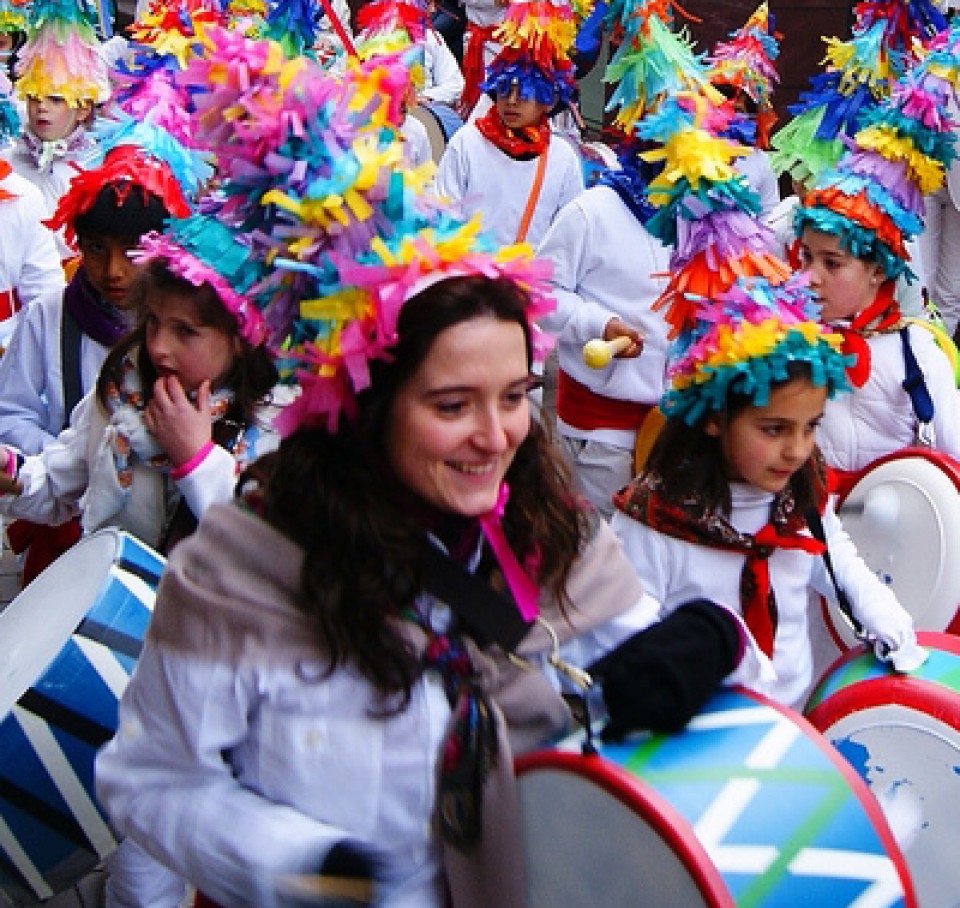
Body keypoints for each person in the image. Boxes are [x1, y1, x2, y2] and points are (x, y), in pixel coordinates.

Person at [94, 260, 753, 908]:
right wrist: (306, 869)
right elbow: (151, 779)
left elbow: (645, 652)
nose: (497, 437)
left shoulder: (551, 539)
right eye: (453, 404)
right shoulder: (239, 573)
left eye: (515, 395)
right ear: (368, 409)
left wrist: (706, 637)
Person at [610, 275, 925, 710]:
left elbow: (832, 557)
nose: (797, 451)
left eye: (811, 426)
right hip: (699, 735)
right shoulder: (655, 520)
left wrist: (879, 609)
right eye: (774, 429)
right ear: (715, 418)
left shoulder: (799, 497)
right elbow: (627, 631)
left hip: (795, 718)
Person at [0, 212, 282, 552]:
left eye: (185, 331)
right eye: (153, 322)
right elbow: (61, 485)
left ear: (240, 340)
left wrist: (198, 460)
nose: (158, 347)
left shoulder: (276, 425)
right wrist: (14, 473)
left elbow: (266, 552)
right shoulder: (122, 392)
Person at [0, 144, 193, 583]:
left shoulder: (187, 332)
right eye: (96, 249)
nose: (114, 271)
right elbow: (10, 413)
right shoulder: (49, 316)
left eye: (132, 252)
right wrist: (75, 464)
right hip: (65, 533)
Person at [794, 36, 960, 483]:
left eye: (833, 263)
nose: (811, 276)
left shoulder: (918, 355)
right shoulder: (784, 339)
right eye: (806, 257)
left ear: (878, 270)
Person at [535, 146, 669, 518]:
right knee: (599, 557)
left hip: (676, 434)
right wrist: (599, 325)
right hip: (600, 436)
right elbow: (541, 292)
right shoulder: (591, 212)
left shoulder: (708, 218)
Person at [435, 0, 584, 248]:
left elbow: (569, 237)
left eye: (524, 93)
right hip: (470, 276)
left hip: (531, 281)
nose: (511, 102)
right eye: (504, 90)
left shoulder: (563, 157)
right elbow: (443, 216)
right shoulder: (467, 142)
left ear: (547, 102)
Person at [3, 0, 110, 260]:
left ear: (83, 109)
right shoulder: (8, 159)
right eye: (34, 98)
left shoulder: (96, 170)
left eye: (56, 99)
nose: (42, 108)